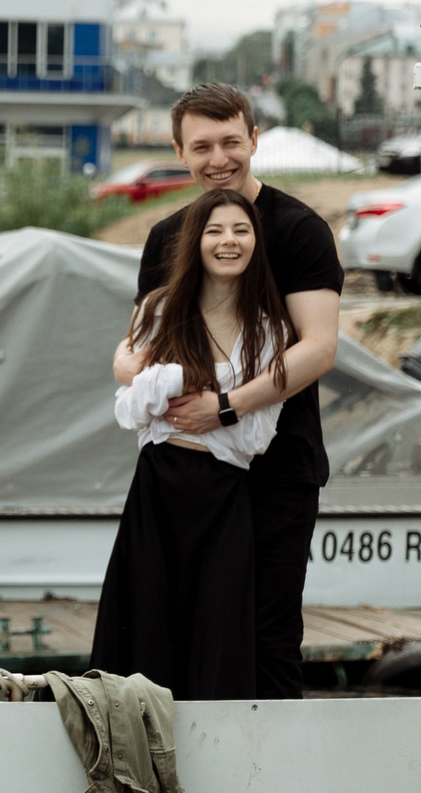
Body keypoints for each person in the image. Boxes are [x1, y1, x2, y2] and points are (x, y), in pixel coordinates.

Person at [112, 83, 342, 699]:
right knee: (171, 627)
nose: (219, 158)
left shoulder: (298, 230)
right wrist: (137, 376)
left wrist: (224, 407)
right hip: (185, 476)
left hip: (276, 470)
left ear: (255, 140)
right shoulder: (167, 237)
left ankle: (272, 784)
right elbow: (136, 343)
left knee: (266, 636)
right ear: (179, 151)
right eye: (202, 146)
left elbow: (318, 347)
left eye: (231, 142)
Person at [92, 188, 294, 697]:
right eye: (215, 230)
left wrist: (206, 405)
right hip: (157, 487)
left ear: (255, 243)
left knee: (217, 628)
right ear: (196, 242)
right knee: (143, 622)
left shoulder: (269, 329)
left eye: (241, 230)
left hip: (224, 491)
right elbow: (129, 410)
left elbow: (257, 435)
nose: (229, 241)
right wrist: (179, 380)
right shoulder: (160, 309)